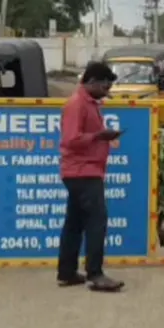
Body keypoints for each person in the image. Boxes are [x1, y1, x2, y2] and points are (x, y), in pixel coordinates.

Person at [57, 62, 125, 292]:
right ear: (92, 82)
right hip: (82, 171)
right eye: (106, 85)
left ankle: (66, 272)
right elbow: (70, 140)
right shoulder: (77, 104)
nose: (108, 90)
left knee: (75, 223)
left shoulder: (88, 103)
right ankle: (95, 273)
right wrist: (99, 136)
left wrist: (101, 137)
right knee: (97, 221)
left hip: (84, 170)